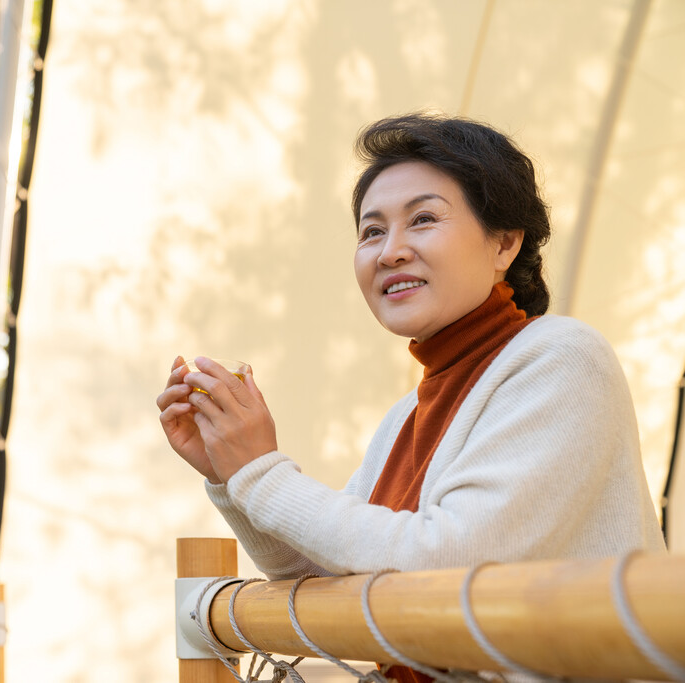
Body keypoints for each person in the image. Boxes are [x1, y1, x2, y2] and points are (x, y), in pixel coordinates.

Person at [156, 113, 666, 682]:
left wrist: (262, 472)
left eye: (423, 219)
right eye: (372, 231)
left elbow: (445, 565)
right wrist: (232, 476)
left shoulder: (564, 356)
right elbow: (326, 574)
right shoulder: (408, 413)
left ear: (504, 242)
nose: (390, 251)